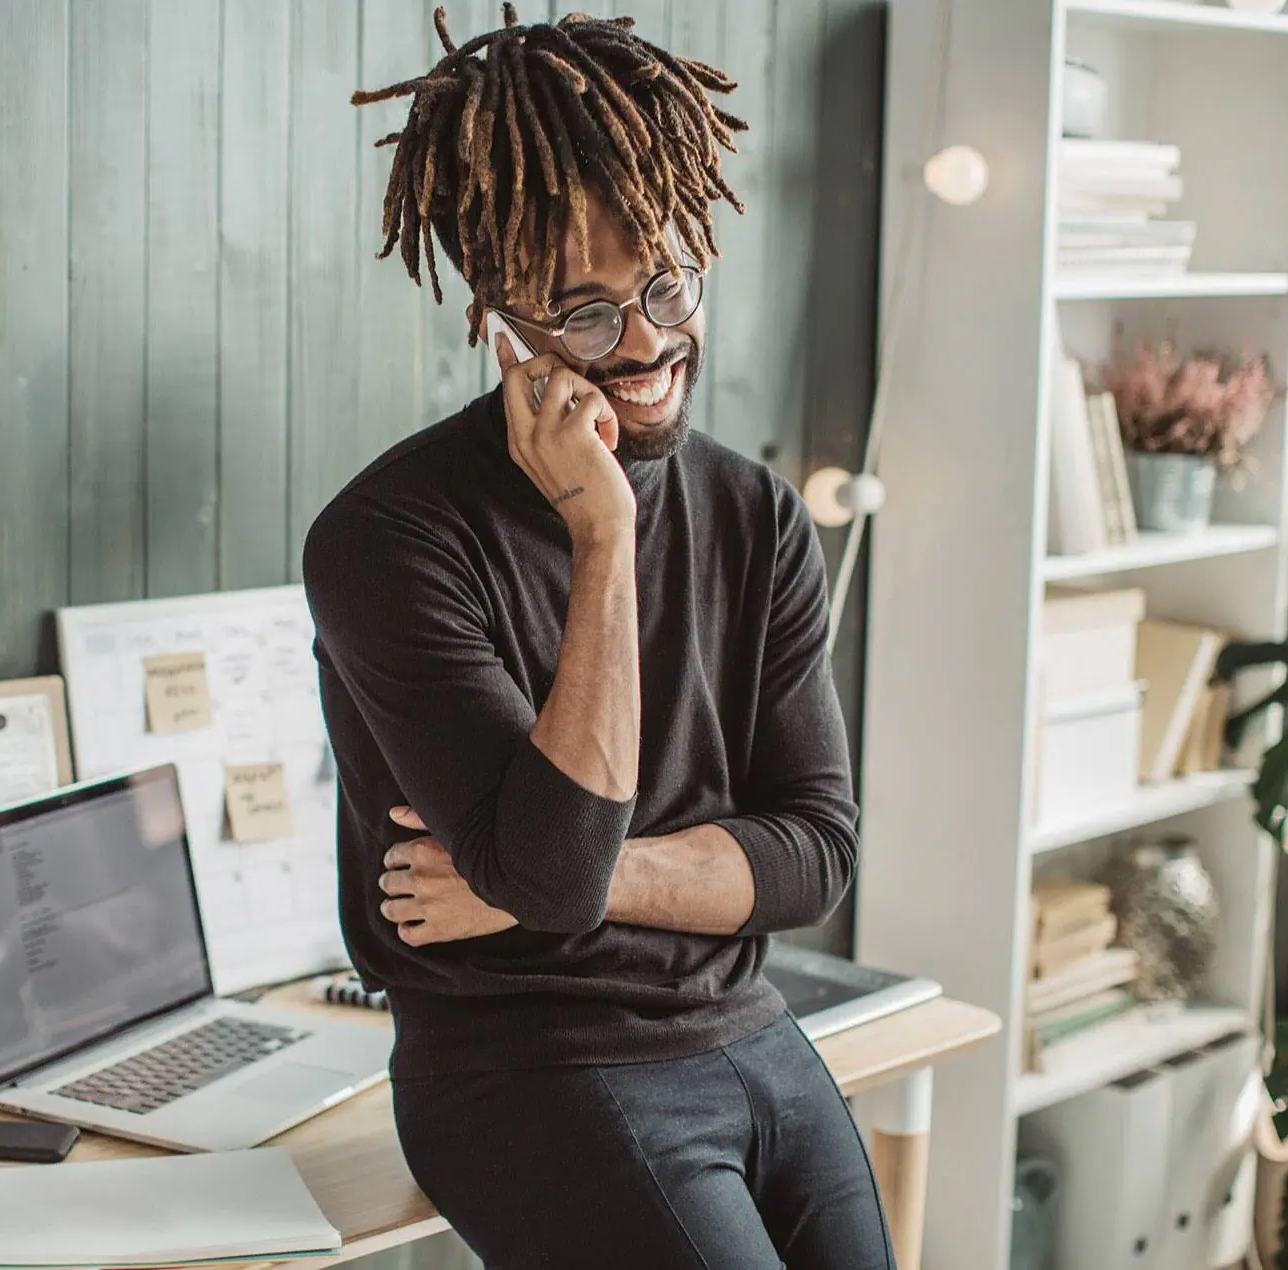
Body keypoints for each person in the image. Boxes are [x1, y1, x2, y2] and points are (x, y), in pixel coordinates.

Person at [302, 8, 890, 1268]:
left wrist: (549, 880)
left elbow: (816, 854)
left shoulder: (757, 513)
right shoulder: (387, 538)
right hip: (525, 1070)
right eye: (584, 312)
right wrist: (604, 534)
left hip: (749, 1029)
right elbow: (555, 871)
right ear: (500, 316)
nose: (646, 341)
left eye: (669, 282)